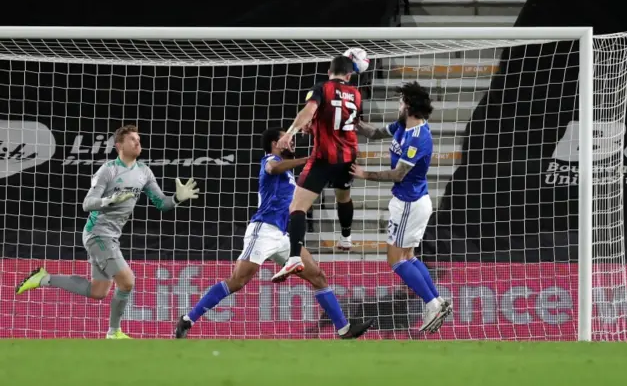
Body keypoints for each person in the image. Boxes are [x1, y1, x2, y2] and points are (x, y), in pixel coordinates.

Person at [174, 128, 374, 339]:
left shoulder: (288, 174)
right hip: (263, 231)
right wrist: (308, 159)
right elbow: (272, 167)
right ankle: (188, 320)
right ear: (274, 144)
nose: (292, 142)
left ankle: (344, 329)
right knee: (237, 281)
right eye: (286, 139)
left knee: (318, 276)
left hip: (282, 236)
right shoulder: (269, 160)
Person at [15, 124, 200, 339]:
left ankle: (43, 278)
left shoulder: (144, 172)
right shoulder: (108, 170)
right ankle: (114, 332)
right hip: (97, 234)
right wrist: (108, 200)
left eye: (138, 139)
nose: (138, 142)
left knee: (98, 292)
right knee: (127, 281)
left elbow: (161, 203)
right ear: (119, 145)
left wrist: (177, 198)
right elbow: (87, 204)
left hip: (112, 236)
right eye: (132, 139)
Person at [351, 82, 452, 333]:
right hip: (411, 202)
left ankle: (431, 303)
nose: (398, 105)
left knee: (396, 261)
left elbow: (398, 175)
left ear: (408, 106)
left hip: (410, 203)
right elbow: (374, 133)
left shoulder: (419, 138)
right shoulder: (403, 126)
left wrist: (365, 174)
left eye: (400, 101)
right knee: (408, 257)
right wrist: (352, 122)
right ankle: (437, 301)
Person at [272, 55, 363, 282]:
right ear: (349, 75)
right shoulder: (357, 94)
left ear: (329, 71)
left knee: (297, 207)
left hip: (324, 158)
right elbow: (342, 121)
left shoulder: (322, 87)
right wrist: (314, 127)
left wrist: (291, 133)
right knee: (344, 196)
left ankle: (294, 257)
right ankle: (346, 237)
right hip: (348, 156)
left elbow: (309, 111)